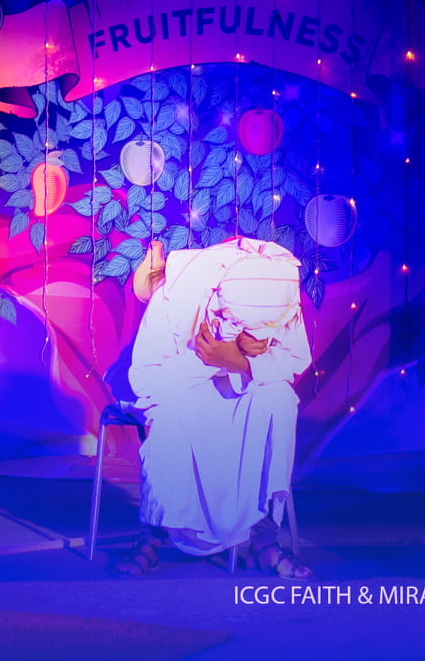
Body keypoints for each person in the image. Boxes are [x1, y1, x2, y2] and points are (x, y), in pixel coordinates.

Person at [113, 236, 314, 579]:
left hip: (240, 389)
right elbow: (147, 382)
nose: (255, 336)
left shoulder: (277, 292)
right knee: (169, 414)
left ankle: (264, 541)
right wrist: (210, 359)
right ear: (218, 301)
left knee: (280, 399)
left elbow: (294, 360)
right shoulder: (176, 297)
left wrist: (241, 362)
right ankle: (151, 537)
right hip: (181, 391)